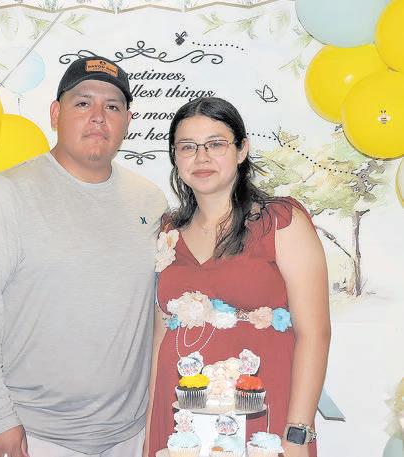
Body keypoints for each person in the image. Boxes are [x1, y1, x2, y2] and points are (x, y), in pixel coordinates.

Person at [0, 56, 167, 457]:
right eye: (83, 103)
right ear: (56, 114)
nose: (98, 116)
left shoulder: (151, 201)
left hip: (129, 436)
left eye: (112, 106)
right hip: (33, 435)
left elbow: (160, 316)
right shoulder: (8, 194)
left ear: (127, 121)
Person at [145, 97, 330, 457]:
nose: (201, 157)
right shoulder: (168, 231)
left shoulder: (280, 222)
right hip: (181, 418)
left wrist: (298, 433)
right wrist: (153, 430)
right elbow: (159, 336)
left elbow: (315, 334)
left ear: (242, 149)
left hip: (263, 409)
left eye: (215, 144)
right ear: (175, 157)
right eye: (188, 147)